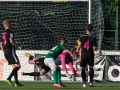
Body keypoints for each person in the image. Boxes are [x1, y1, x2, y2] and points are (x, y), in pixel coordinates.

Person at [0, 20, 23, 87]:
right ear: (9, 25)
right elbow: (11, 41)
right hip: (11, 51)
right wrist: (18, 46)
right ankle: (8, 78)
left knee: (14, 67)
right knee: (18, 66)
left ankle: (16, 82)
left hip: (5, 51)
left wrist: (4, 51)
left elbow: (1, 44)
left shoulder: (2, 33)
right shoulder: (10, 32)